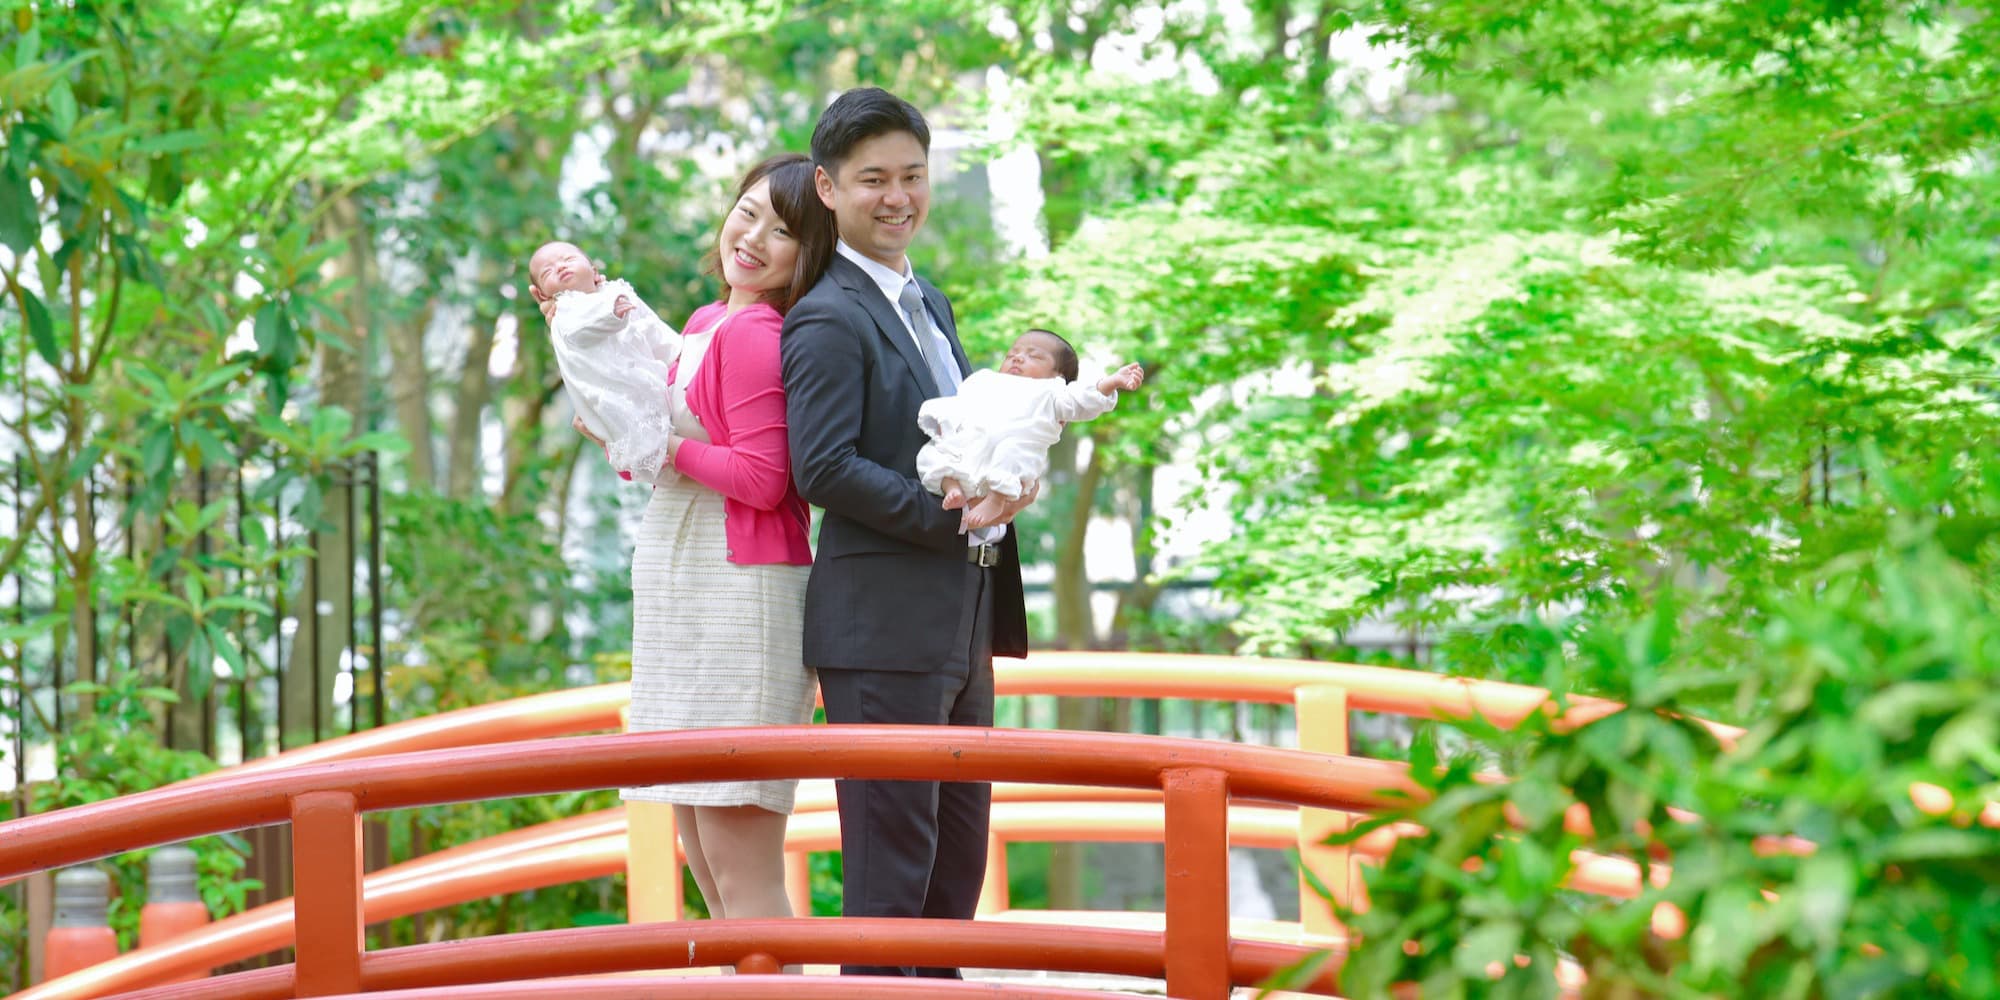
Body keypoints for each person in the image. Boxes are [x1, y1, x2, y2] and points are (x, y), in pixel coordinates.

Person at [543, 153, 835, 936]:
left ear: (811, 255)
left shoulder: (755, 334)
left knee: (739, 866)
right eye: (747, 212)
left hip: (741, 592)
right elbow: (670, 418)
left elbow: (765, 477)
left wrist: (659, 447)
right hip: (691, 582)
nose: (754, 238)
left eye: (785, 232)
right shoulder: (708, 323)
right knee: (707, 861)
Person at [780, 86, 1032, 979]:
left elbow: (956, 441)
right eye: (873, 178)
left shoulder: (931, 303)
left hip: (961, 621)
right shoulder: (824, 315)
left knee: (952, 875)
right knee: (892, 885)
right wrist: (948, 514)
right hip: (880, 625)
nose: (898, 198)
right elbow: (824, 466)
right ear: (828, 188)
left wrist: (1006, 480)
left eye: (913, 176)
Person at [920, 328, 1146, 531]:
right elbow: (960, 404)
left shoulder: (1050, 392)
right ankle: (951, 488)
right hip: (967, 453)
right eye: (1012, 354)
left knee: (1013, 450)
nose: (1017, 357)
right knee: (930, 454)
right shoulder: (984, 380)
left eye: (1034, 355)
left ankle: (997, 499)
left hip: (1010, 462)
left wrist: (1111, 382)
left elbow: (1082, 399)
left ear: (1057, 376)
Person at [529, 240, 682, 483]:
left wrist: (679, 352)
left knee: (662, 404)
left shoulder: (615, 292)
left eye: (568, 260)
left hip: (650, 373)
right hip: (615, 391)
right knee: (641, 429)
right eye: (547, 271)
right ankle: (661, 458)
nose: (559, 267)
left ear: (594, 271)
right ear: (542, 294)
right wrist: (612, 314)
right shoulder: (565, 313)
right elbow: (583, 328)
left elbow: (652, 328)